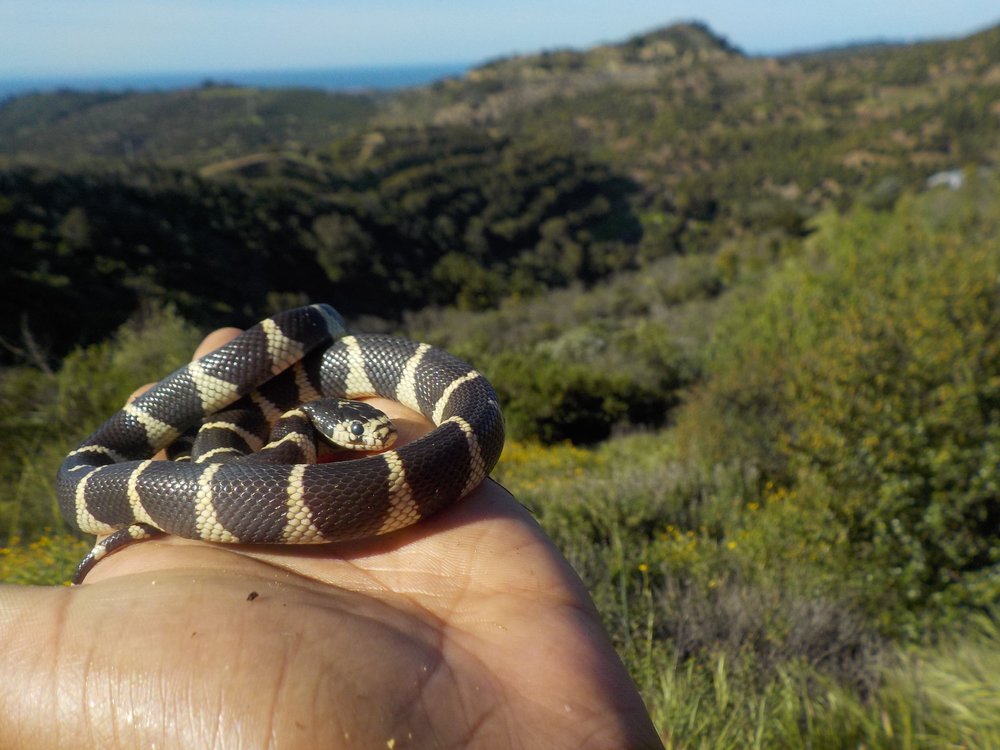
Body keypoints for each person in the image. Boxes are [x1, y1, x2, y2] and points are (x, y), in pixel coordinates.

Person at [0, 326, 664, 749]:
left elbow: (459, 413)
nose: (376, 437)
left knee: (224, 453)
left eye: (370, 431)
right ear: (323, 429)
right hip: (205, 455)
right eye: (359, 432)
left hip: (262, 438)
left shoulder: (428, 414)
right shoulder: (286, 435)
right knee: (209, 450)